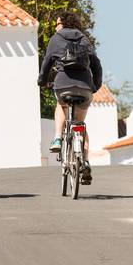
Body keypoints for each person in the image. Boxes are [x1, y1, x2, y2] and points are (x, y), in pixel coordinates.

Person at [37, 11, 102, 184]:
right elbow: (96, 64)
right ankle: (85, 161)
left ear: (63, 24)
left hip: (63, 84)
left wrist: (42, 80)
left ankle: (58, 138)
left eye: (57, 23)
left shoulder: (55, 39)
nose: (56, 27)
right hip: (85, 87)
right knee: (81, 124)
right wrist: (96, 85)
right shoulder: (85, 39)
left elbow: (47, 63)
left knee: (60, 105)